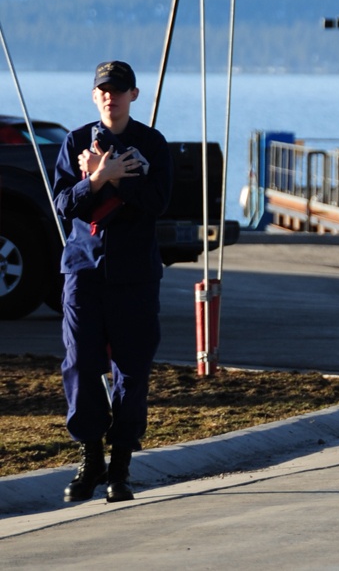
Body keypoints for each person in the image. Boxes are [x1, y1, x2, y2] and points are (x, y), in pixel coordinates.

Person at [53, 60, 172, 503]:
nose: (111, 96)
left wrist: (118, 180)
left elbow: (158, 202)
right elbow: (65, 204)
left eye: (119, 89)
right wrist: (97, 178)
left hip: (135, 273)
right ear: (94, 95)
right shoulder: (75, 142)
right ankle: (90, 456)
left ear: (133, 96)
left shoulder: (152, 144)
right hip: (84, 269)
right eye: (103, 89)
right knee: (80, 365)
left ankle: (120, 466)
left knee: (132, 370)